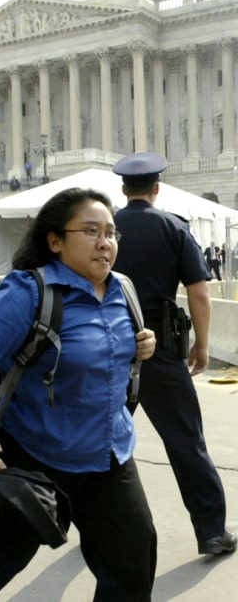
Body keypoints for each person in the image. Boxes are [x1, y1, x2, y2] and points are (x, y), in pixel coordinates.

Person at [0, 188, 157, 600]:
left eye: (111, 233)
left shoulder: (122, 288)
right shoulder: (28, 291)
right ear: (54, 240)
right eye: (91, 231)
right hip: (36, 459)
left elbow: (108, 348)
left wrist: (141, 343)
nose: (105, 242)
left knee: (132, 566)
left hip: (110, 456)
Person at [112, 151, 237, 556]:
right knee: (186, 442)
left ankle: (99, 521)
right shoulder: (173, 227)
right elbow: (199, 292)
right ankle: (211, 531)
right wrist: (201, 344)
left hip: (108, 348)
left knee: (101, 437)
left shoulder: (103, 228)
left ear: (123, 189)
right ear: (157, 188)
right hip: (162, 350)